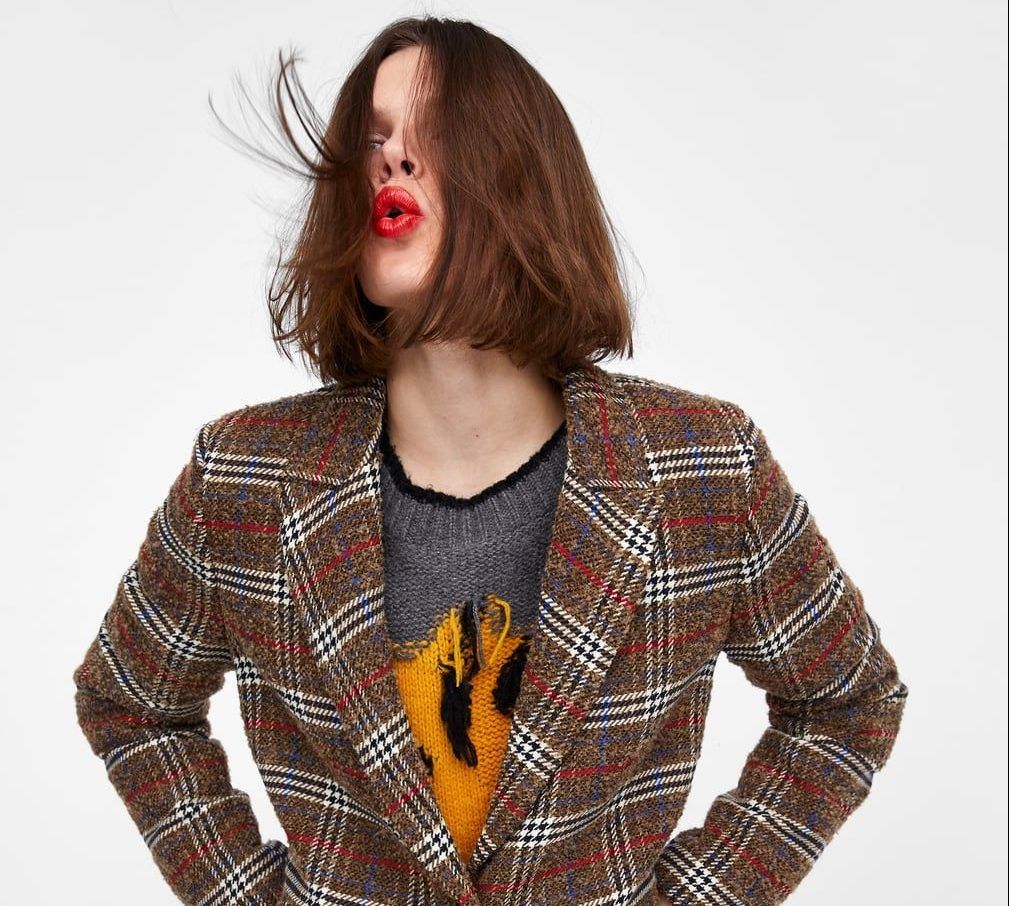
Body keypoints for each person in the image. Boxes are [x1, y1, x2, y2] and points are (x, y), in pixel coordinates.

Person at [71, 16, 908, 906]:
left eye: (435, 132)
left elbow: (846, 702)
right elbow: (130, 702)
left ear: (525, 174)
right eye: (372, 140)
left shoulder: (701, 467)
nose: (391, 161)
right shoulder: (244, 475)